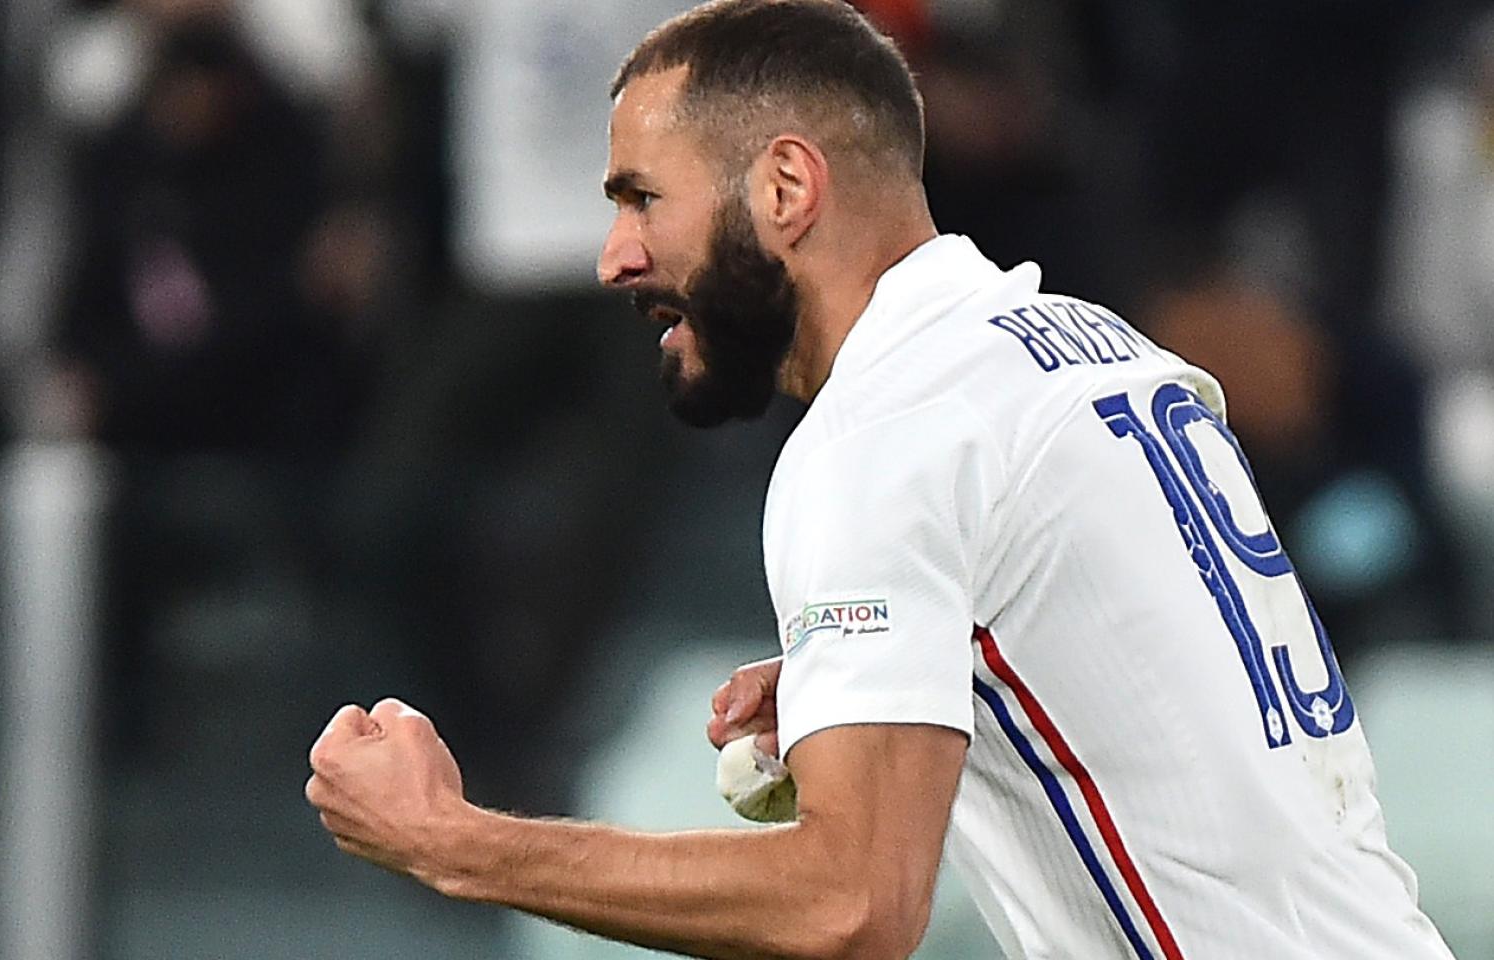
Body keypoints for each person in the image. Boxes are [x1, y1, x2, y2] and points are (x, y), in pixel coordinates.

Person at [304, 2, 1459, 957]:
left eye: (642, 198)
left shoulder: (884, 432)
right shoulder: (1079, 344)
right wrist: (896, 661)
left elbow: (848, 905)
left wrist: (452, 842)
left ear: (785, 190)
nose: (613, 256)